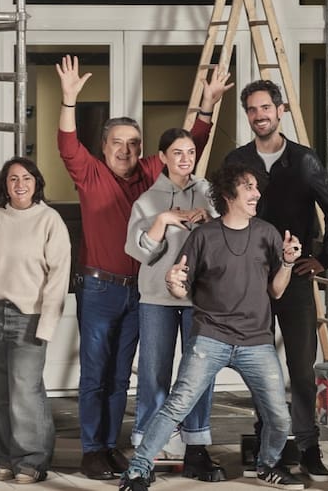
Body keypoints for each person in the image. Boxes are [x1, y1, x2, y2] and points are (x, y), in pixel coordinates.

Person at [55, 55, 228, 480]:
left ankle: (113, 445)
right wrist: (69, 99)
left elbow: (189, 145)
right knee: (96, 371)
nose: (126, 150)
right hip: (100, 288)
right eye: (118, 143)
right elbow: (67, 144)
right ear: (104, 147)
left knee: (121, 375)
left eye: (134, 143)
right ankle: (92, 449)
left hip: (141, 290)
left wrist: (207, 105)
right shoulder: (90, 174)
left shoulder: (151, 172)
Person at [118, 163, 305, 491]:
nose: (257, 194)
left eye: (256, 187)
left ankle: (267, 465)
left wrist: (287, 263)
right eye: (248, 187)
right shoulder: (203, 236)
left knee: (279, 416)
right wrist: (172, 281)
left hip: (256, 341)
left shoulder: (268, 234)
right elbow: (182, 289)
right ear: (229, 194)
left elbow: (276, 291)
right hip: (211, 338)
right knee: (177, 405)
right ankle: (137, 470)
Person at [224, 79, 328, 482]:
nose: (259, 115)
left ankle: (309, 448)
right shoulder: (238, 160)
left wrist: (324, 257)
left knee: (302, 369)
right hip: (250, 280)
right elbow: (223, 209)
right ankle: (267, 446)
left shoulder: (304, 160)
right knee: (260, 368)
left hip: (294, 277)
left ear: (280, 111)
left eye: (266, 108)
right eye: (252, 109)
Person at [124, 128, 222, 481]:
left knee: (199, 375)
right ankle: (146, 454)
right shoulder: (146, 200)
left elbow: (228, 241)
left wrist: (209, 221)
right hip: (156, 299)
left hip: (201, 299)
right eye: (177, 152)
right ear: (163, 157)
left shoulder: (209, 193)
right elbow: (138, 252)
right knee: (154, 373)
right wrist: (163, 220)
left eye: (190, 152)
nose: (185, 159)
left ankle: (196, 449)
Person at [0, 157, 71, 483]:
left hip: (29, 316)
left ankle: (32, 460)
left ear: (36, 183)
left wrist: (48, 324)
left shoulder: (49, 220)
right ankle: (1, 456)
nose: (20, 184)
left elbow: (58, 277)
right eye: (13, 179)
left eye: (27, 178)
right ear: (5, 185)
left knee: (25, 391)